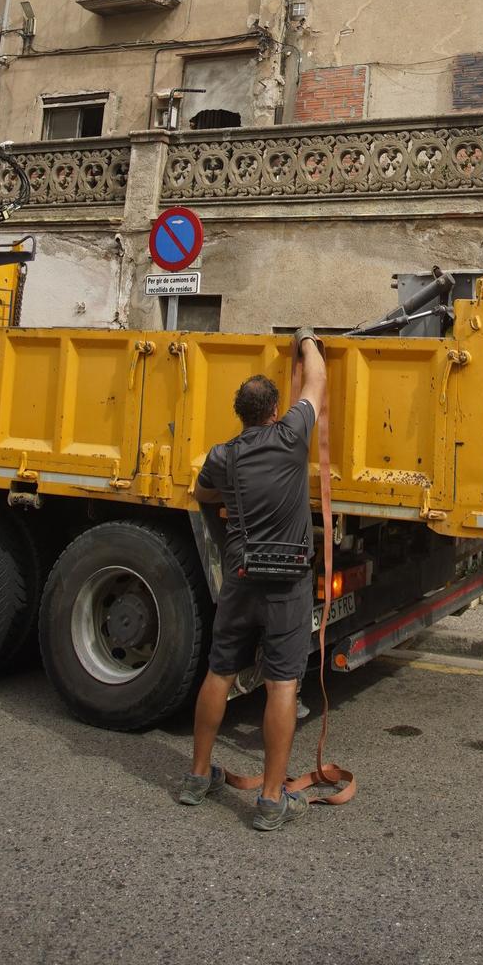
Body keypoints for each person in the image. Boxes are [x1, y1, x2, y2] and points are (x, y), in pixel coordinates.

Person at [179, 327, 327, 832]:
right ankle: (269, 800)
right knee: (282, 684)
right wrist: (306, 342)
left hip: (241, 577)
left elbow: (201, 495)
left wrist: (227, 512)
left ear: (240, 414)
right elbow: (318, 382)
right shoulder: (292, 437)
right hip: (287, 583)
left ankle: (198, 777)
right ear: (273, 411)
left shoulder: (223, 456)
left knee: (220, 672)